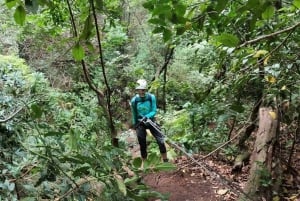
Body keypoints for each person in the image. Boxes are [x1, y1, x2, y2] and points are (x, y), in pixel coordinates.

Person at [130, 79, 168, 163]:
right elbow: (134, 113)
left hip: (151, 120)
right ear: (137, 90)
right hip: (140, 122)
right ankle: (145, 163)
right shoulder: (134, 101)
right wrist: (135, 124)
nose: (142, 92)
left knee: (160, 140)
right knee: (142, 143)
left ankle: (165, 160)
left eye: (144, 90)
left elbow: (154, 110)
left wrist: (147, 116)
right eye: (141, 90)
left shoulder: (151, 97)